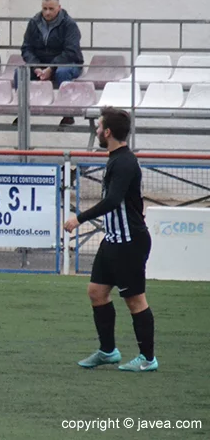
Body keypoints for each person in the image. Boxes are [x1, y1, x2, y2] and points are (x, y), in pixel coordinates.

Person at [64, 107, 157, 372]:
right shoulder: (115, 158)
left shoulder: (125, 161)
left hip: (129, 242)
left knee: (135, 300)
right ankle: (108, 351)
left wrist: (79, 218)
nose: (96, 131)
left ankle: (148, 359)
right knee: (96, 292)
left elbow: (113, 200)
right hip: (113, 240)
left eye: (99, 127)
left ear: (107, 132)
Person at [21, 0, 84, 125]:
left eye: (51, 9)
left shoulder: (69, 24)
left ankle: (67, 113)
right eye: (44, 9)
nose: (47, 12)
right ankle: (22, 112)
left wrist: (51, 67)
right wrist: (36, 66)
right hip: (41, 63)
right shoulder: (34, 23)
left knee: (62, 72)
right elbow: (26, 48)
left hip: (68, 63)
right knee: (19, 73)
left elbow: (71, 51)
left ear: (59, 8)